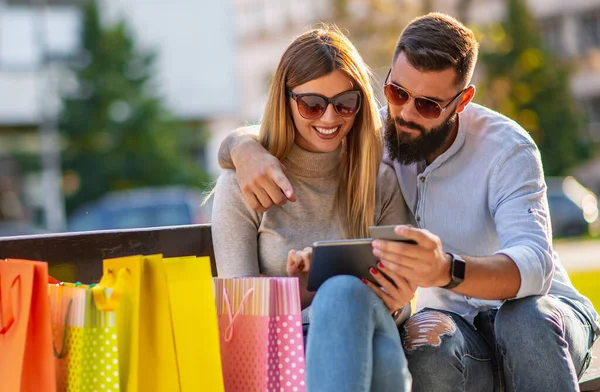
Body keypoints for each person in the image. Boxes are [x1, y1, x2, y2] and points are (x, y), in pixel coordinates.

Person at [217, 13, 600, 392]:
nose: (405, 114)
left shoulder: (505, 149)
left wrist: (444, 271)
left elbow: (536, 268)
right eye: (397, 94)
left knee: (523, 321)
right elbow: (300, 134)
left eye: (429, 105)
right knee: (425, 342)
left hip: (541, 315)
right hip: (450, 326)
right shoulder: (379, 144)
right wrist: (240, 146)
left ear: (462, 100)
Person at [211, 25, 412, 391]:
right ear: (285, 100)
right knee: (379, 354)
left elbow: (399, 305)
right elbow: (238, 315)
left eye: (345, 103)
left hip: (367, 329)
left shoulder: (378, 180)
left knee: (343, 295)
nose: (330, 118)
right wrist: (297, 290)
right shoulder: (246, 183)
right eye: (312, 104)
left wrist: (397, 299)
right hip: (281, 351)